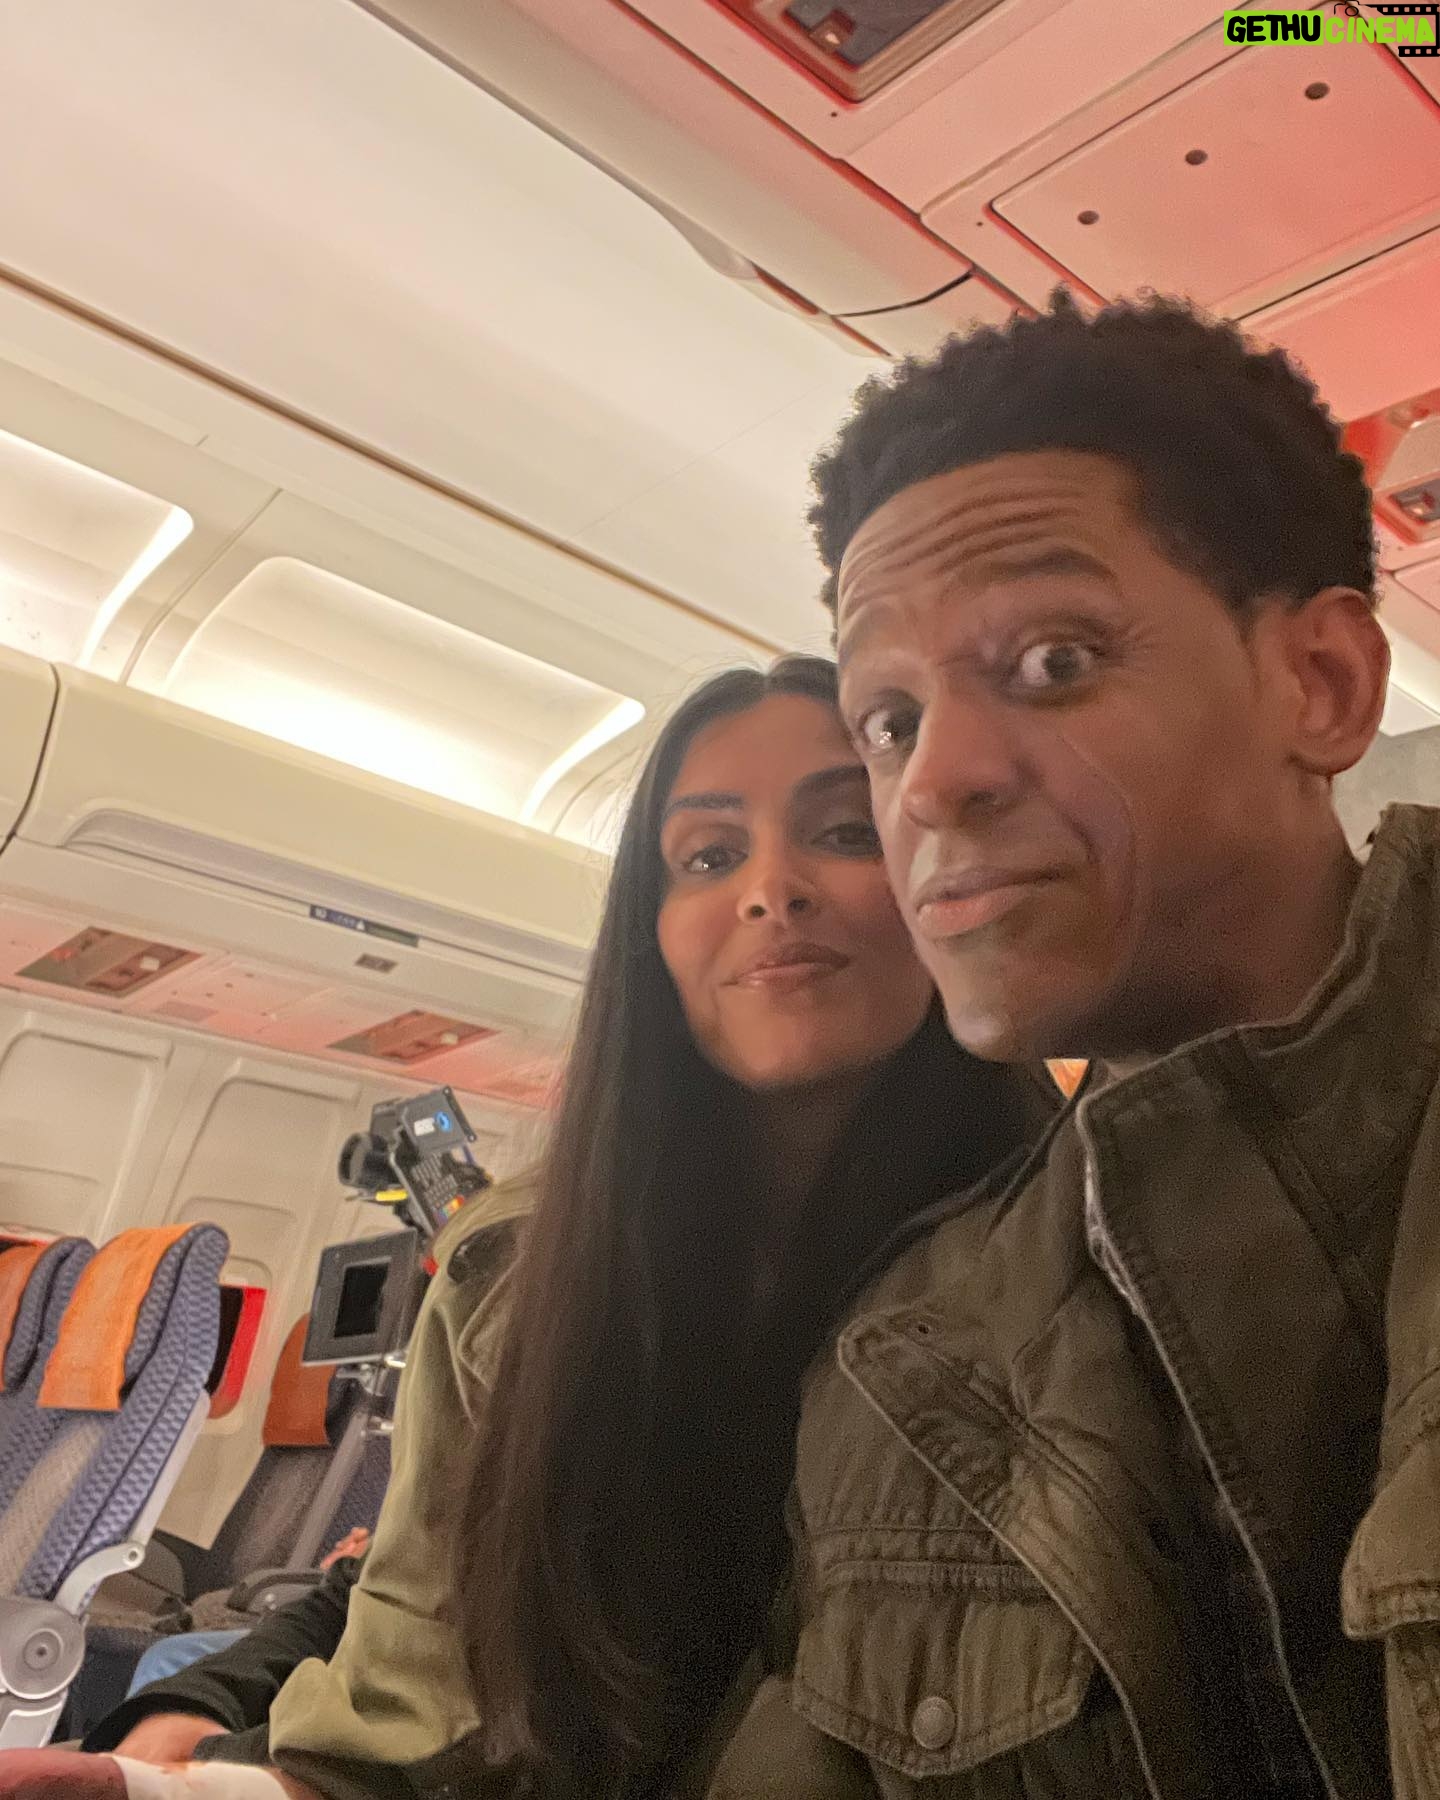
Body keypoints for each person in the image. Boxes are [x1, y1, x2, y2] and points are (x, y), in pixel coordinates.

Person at [0, 656, 1048, 1797]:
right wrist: (184, 1782)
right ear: (651, 935)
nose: (771, 890)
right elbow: (418, 1682)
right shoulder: (514, 1268)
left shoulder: (1073, 1277)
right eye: (707, 857)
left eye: (844, 833)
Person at [704, 291, 1422, 1796]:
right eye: (888, 721)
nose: (932, 783)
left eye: (1053, 662)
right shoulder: (900, 1367)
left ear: (1323, 685)